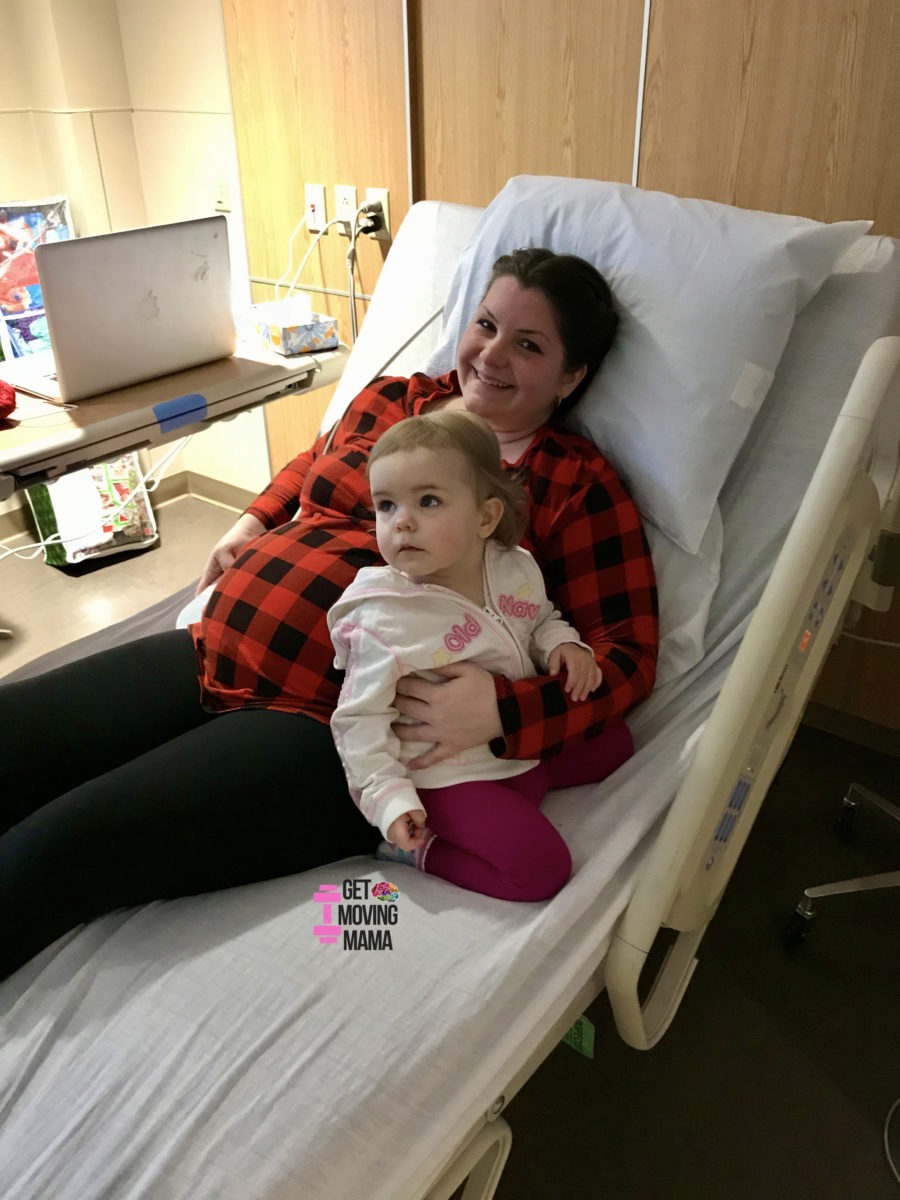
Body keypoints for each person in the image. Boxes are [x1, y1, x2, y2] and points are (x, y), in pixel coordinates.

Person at [0, 247, 658, 981]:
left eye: (529, 345)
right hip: (217, 643)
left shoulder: (573, 483)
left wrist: (506, 711)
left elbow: (627, 656)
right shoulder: (395, 399)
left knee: (50, 852)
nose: (491, 354)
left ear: (571, 378)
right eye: (486, 324)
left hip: (325, 725)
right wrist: (256, 520)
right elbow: (313, 464)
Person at [328, 410, 634, 901]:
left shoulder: (514, 567)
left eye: (428, 501)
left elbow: (538, 618)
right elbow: (357, 722)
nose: (401, 521)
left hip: (520, 749)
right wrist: (389, 800)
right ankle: (421, 853)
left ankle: (538, 779)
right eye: (385, 506)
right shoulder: (383, 618)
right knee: (541, 872)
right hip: (449, 778)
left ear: (486, 517)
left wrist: (564, 644)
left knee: (617, 741)